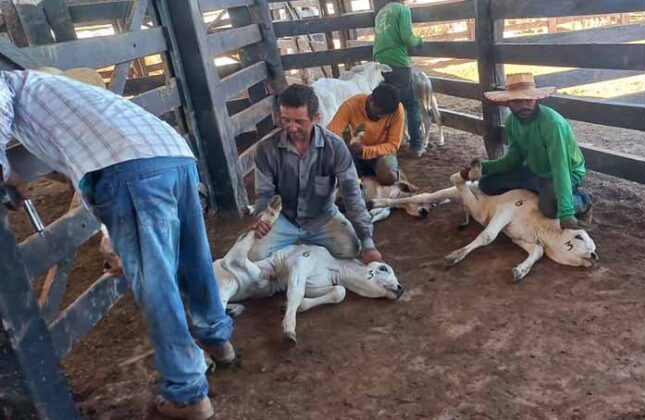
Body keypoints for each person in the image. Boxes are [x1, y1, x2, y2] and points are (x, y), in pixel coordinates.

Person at [0, 68, 233, 419]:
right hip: (173, 153)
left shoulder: (5, 83)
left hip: (129, 167)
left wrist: (7, 174)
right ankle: (218, 339)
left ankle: (188, 393)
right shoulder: (60, 92)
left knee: (157, 283)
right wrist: (112, 239)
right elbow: (89, 168)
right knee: (193, 257)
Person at [249, 84, 382, 264]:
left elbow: (352, 194)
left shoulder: (335, 147)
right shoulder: (266, 149)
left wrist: (368, 243)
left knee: (351, 248)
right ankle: (298, 246)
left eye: (299, 122)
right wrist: (262, 218)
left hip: (322, 219)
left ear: (316, 118)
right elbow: (265, 194)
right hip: (284, 219)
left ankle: (294, 250)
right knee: (253, 255)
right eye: (286, 120)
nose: (292, 127)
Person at [461, 73, 593, 230]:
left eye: (528, 100)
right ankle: (540, 192)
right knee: (487, 184)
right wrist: (483, 167)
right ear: (508, 103)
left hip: (565, 173)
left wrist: (566, 213)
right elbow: (513, 159)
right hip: (534, 170)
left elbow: (561, 168)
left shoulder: (552, 124)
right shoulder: (512, 123)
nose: (524, 105)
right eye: (517, 101)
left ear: (535, 99)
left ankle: (584, 201)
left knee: (550, 209)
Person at [373, 0, 425, 157]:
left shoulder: (381, 12)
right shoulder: (403, 10)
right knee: (411, 103)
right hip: (397, 62)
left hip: (379, 63)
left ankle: (388, 143)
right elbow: (407, 37)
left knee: (388, 103)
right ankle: (416, 146)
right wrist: (420, 41)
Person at [327, 83, 403, 185]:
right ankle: (362, 172)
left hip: (382, 153)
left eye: (384, 115)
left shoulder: (397, 110)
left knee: (390, 178)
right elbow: (330, 134)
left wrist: (365, 151)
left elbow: (393, 144)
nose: (380, 117)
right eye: (378, 113)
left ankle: (375, 171)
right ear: (371, 99)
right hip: (355, 153)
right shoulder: (351, 105)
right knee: (339, 178)